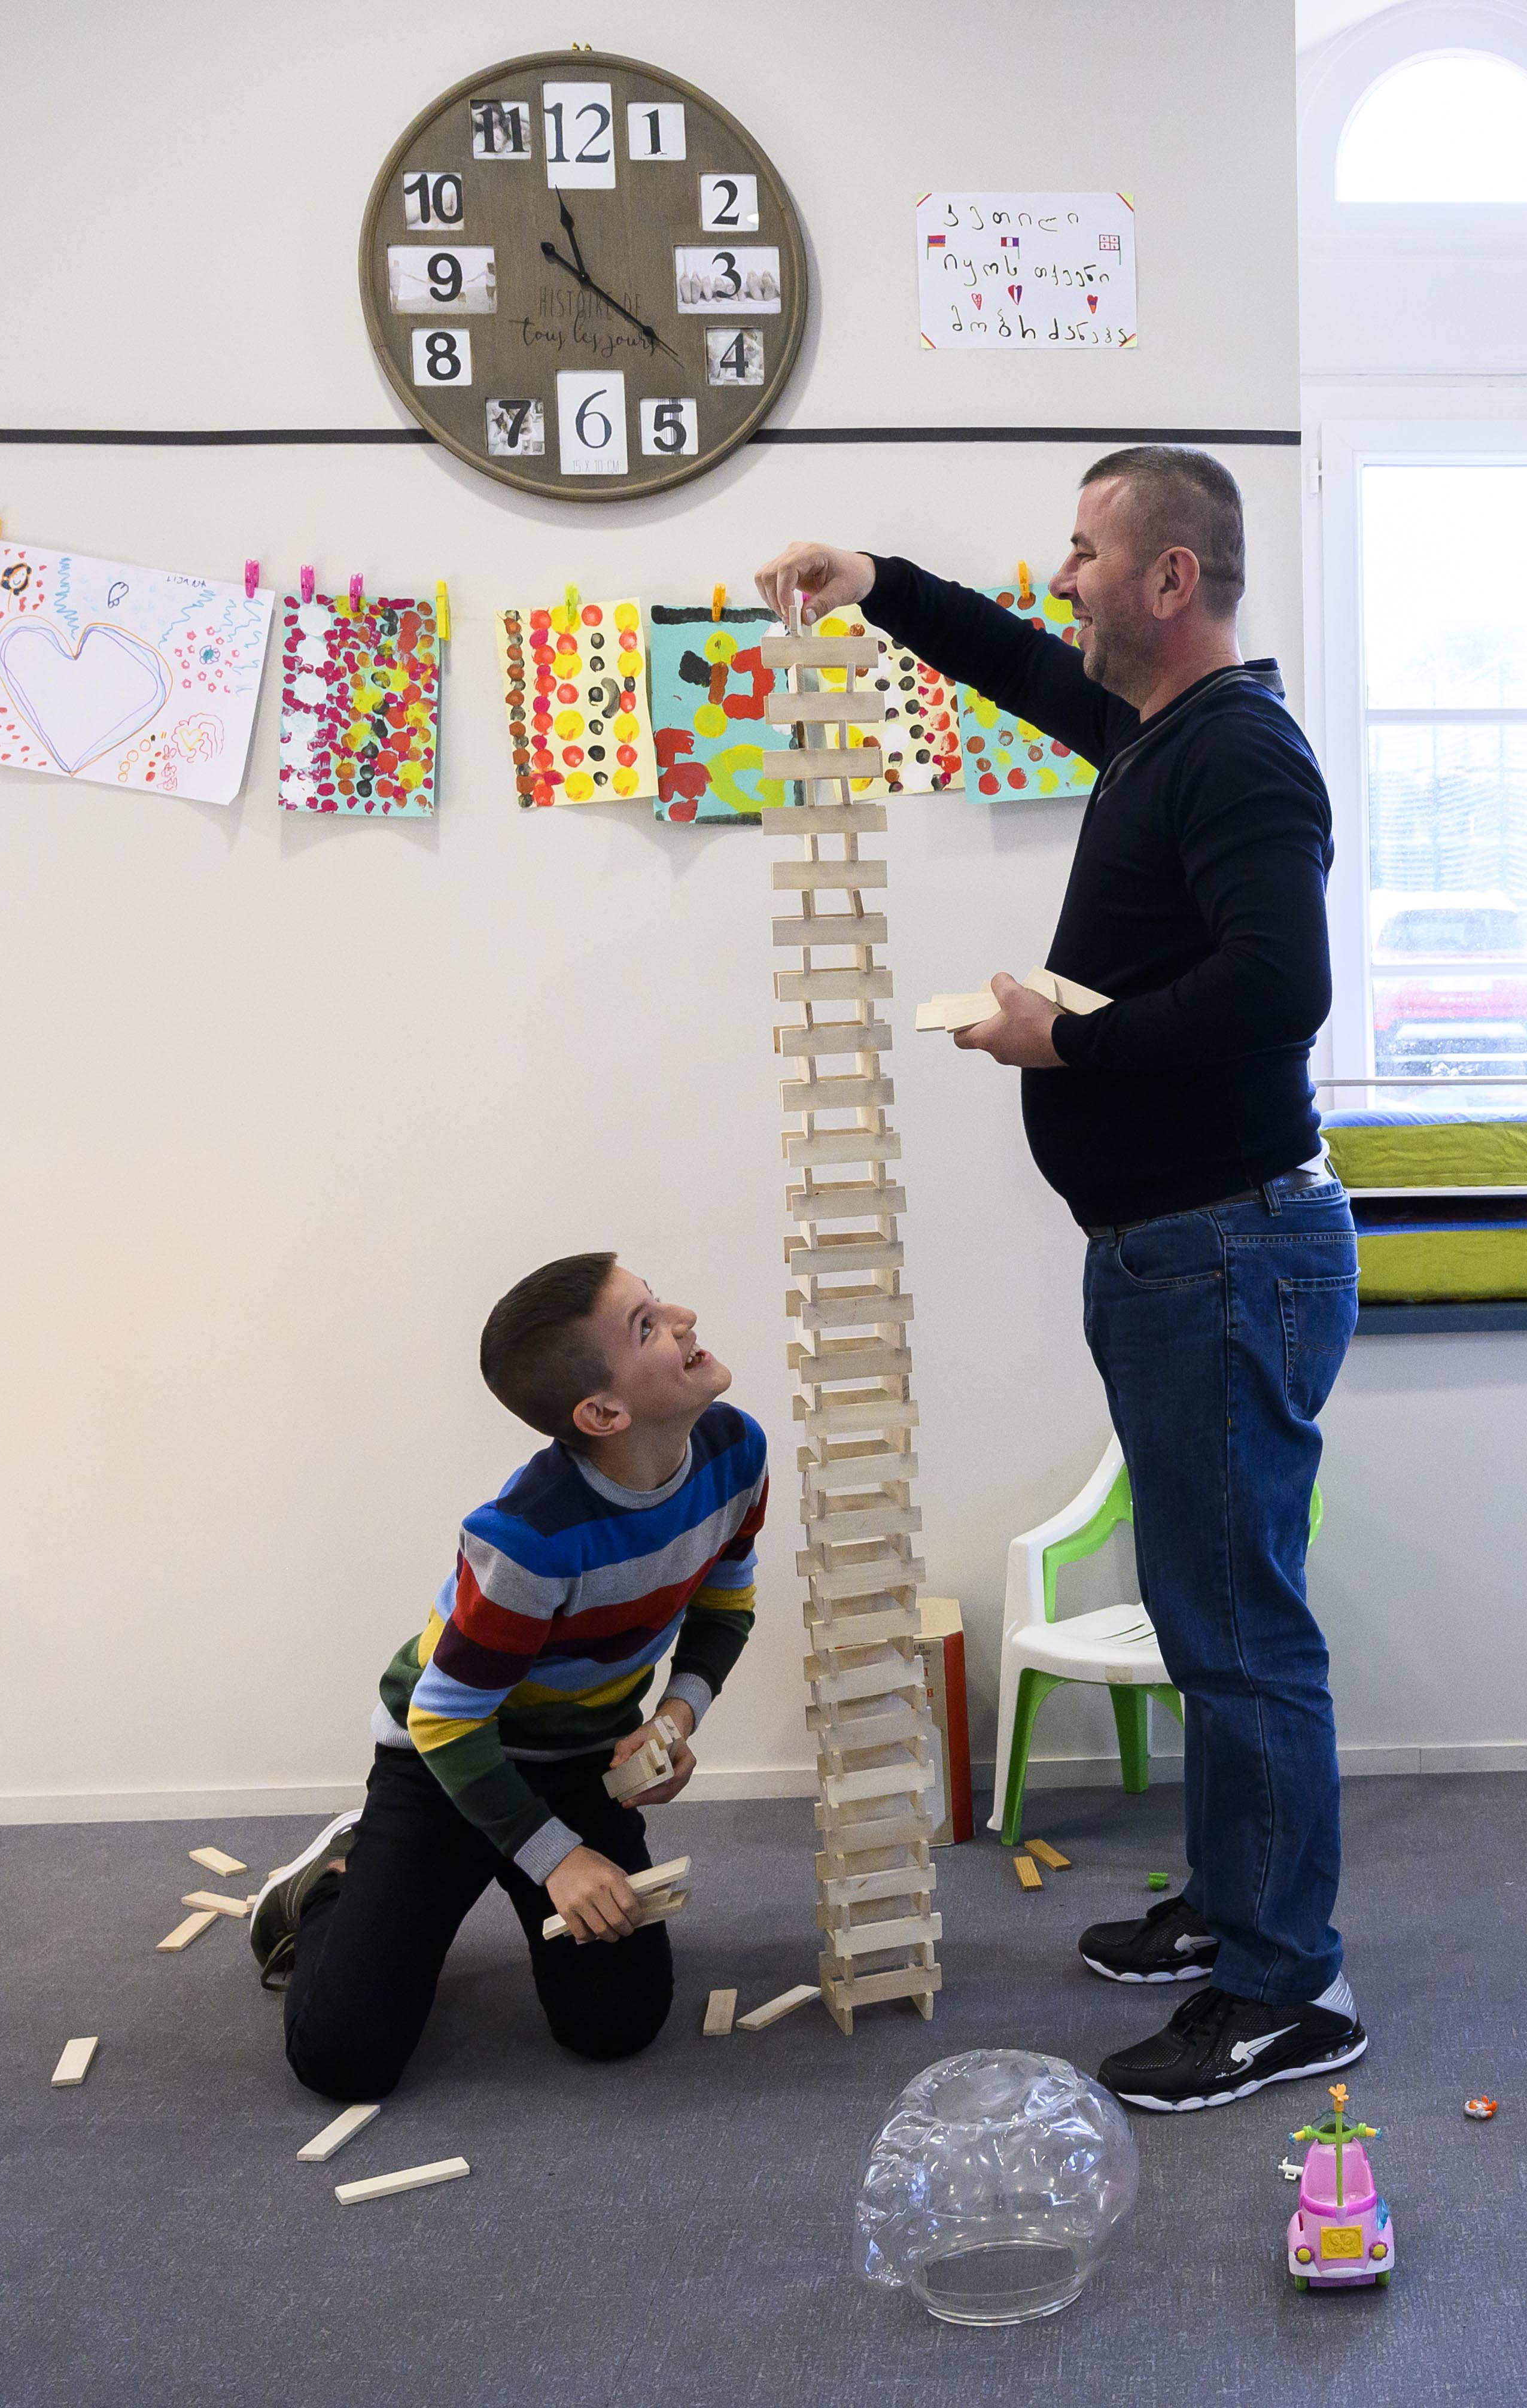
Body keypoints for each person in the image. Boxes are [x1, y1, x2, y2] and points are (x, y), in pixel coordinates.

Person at [756, 446, 1361, 2114]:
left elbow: (1279, 985)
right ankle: (1236, 1910)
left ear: (1173, 580)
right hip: (1182, 1249)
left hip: (1227, 1249)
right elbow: (1023, 666)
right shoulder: (1164, 732)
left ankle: (1288, 1993)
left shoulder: (1238, 754)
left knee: (1241, 1634)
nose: (1068, 578)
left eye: (1089, 552)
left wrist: (1064, 1036)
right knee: (1205, 1610)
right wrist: (877, 580)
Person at [248, 1254, 764, 2102]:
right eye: (647, 1325)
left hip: (576, 1755)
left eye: (657, 1298)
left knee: (615, 2024)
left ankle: (509, 1869)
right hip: (450, 1761)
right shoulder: (529, 1540)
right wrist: (558, 1860)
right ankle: (333, 1886)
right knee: (345, 2060)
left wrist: (673, 1719)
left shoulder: (736, 1452)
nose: (683, 1315)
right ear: (603, 1410)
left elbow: (725, 1604)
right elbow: (445, 1723)